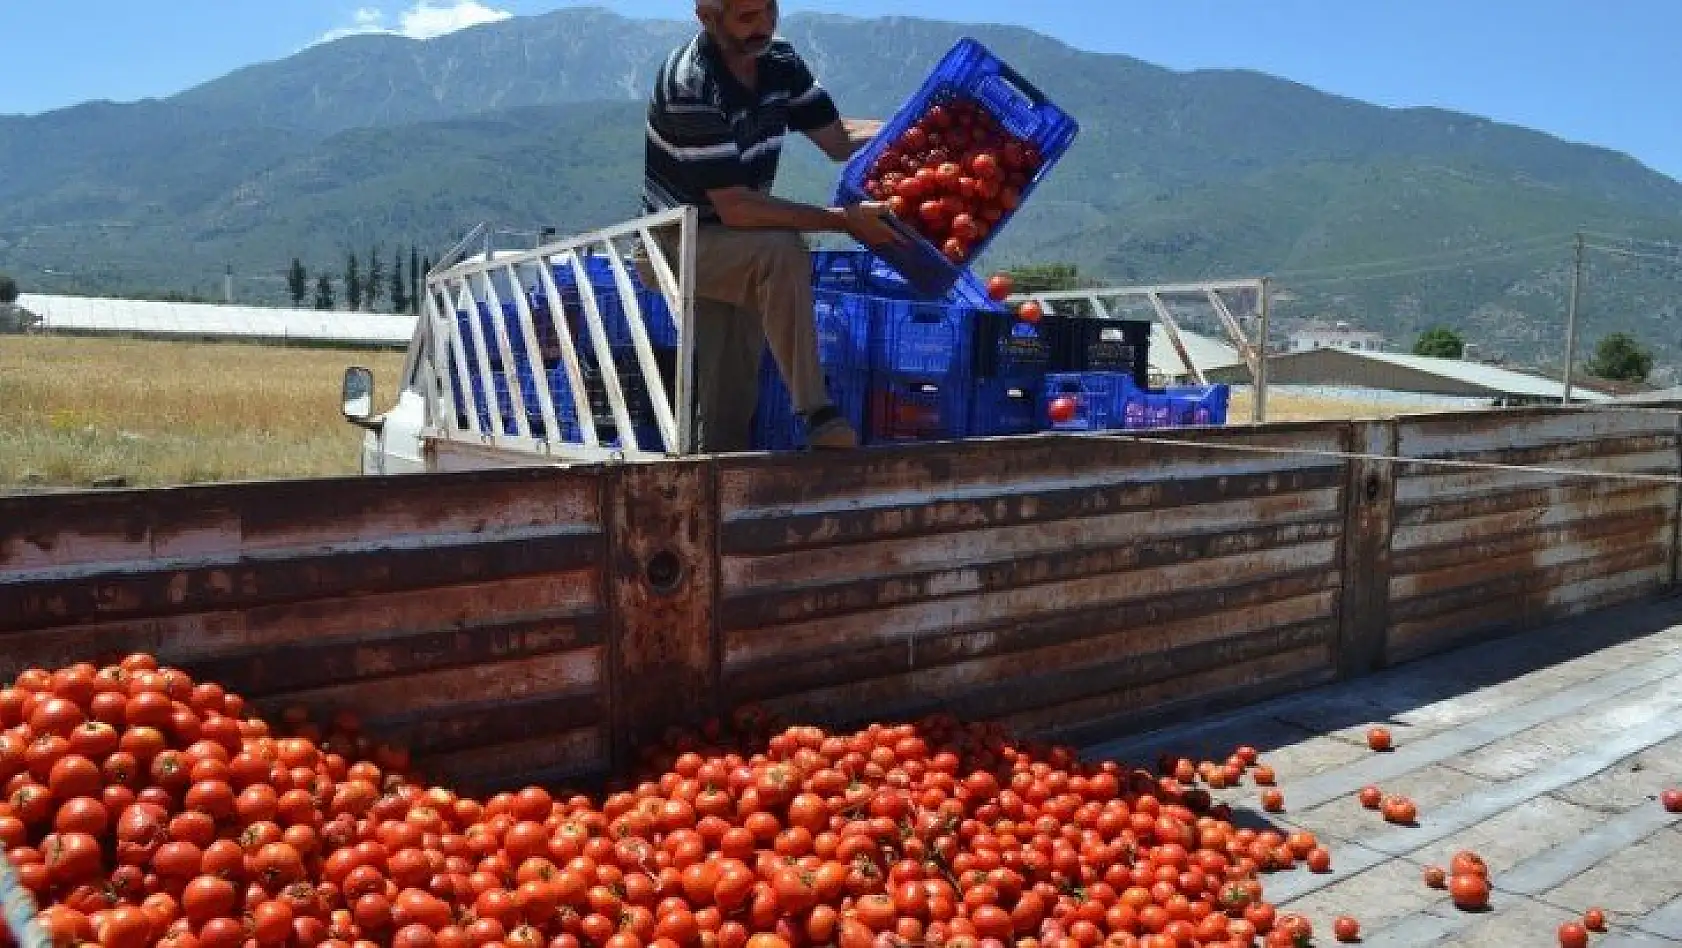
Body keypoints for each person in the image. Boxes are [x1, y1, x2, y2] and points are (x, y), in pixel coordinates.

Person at [640, 0, 904, 452]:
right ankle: (818, 413)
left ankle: (719, 493)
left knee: (731, 399)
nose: (762, 26)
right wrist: (845, 223)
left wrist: (911, 128)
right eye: (746, 18)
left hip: (742, 240)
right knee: (781, 251)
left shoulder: (779, 61)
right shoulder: (689, 84)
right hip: (676, 244)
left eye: (769, 11)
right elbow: (737, 207)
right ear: (707, 17)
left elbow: (838, 140)